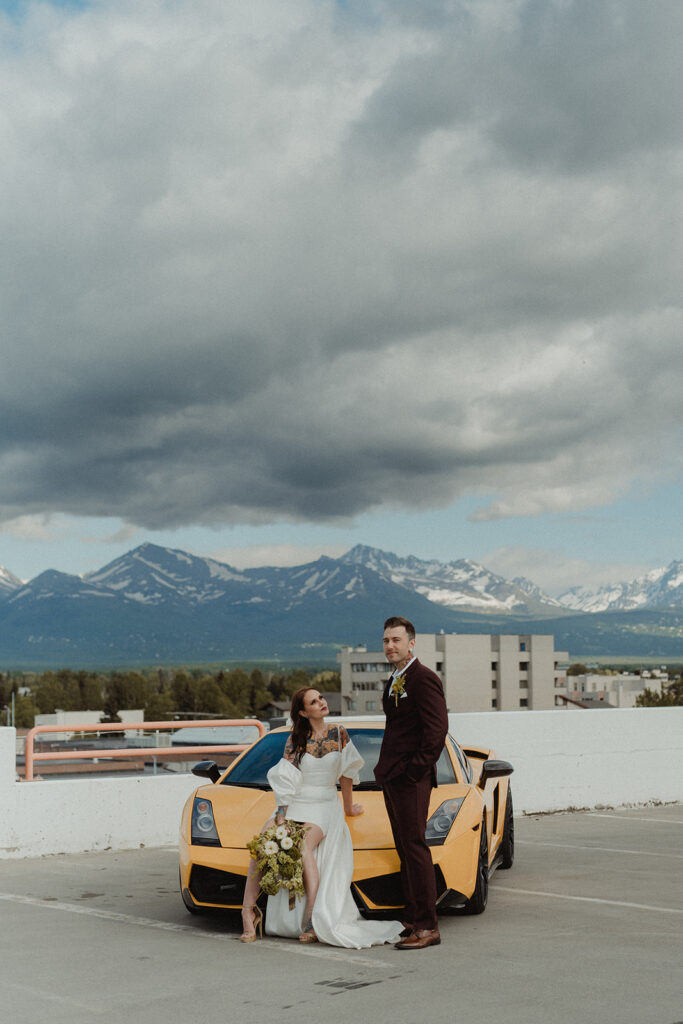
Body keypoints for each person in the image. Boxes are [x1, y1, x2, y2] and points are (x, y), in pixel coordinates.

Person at [240, 687, 402, 948]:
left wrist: (348, 808)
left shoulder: (339, 733)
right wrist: (281, 815)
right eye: (314, 702)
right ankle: (248, 911)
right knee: (261, 844)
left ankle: (312, 919)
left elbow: (348, 773)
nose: (322, 703)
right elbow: (286, 778)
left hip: (325, 802)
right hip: (296, 800)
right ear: (303, 712)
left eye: (321, 698)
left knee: (304, 844)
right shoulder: (295, 738)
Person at [374, 616, 449, 950]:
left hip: (410, 779)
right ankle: (412, 918)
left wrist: (413, 771)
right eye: (386, 640)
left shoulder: (423, 679)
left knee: (416, 848)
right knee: (405, 849)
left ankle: (427, 926)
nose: (390, 646)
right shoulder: (395, 679)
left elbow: (436, 731)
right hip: (393, 776)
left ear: (411, 643)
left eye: (396, 640)